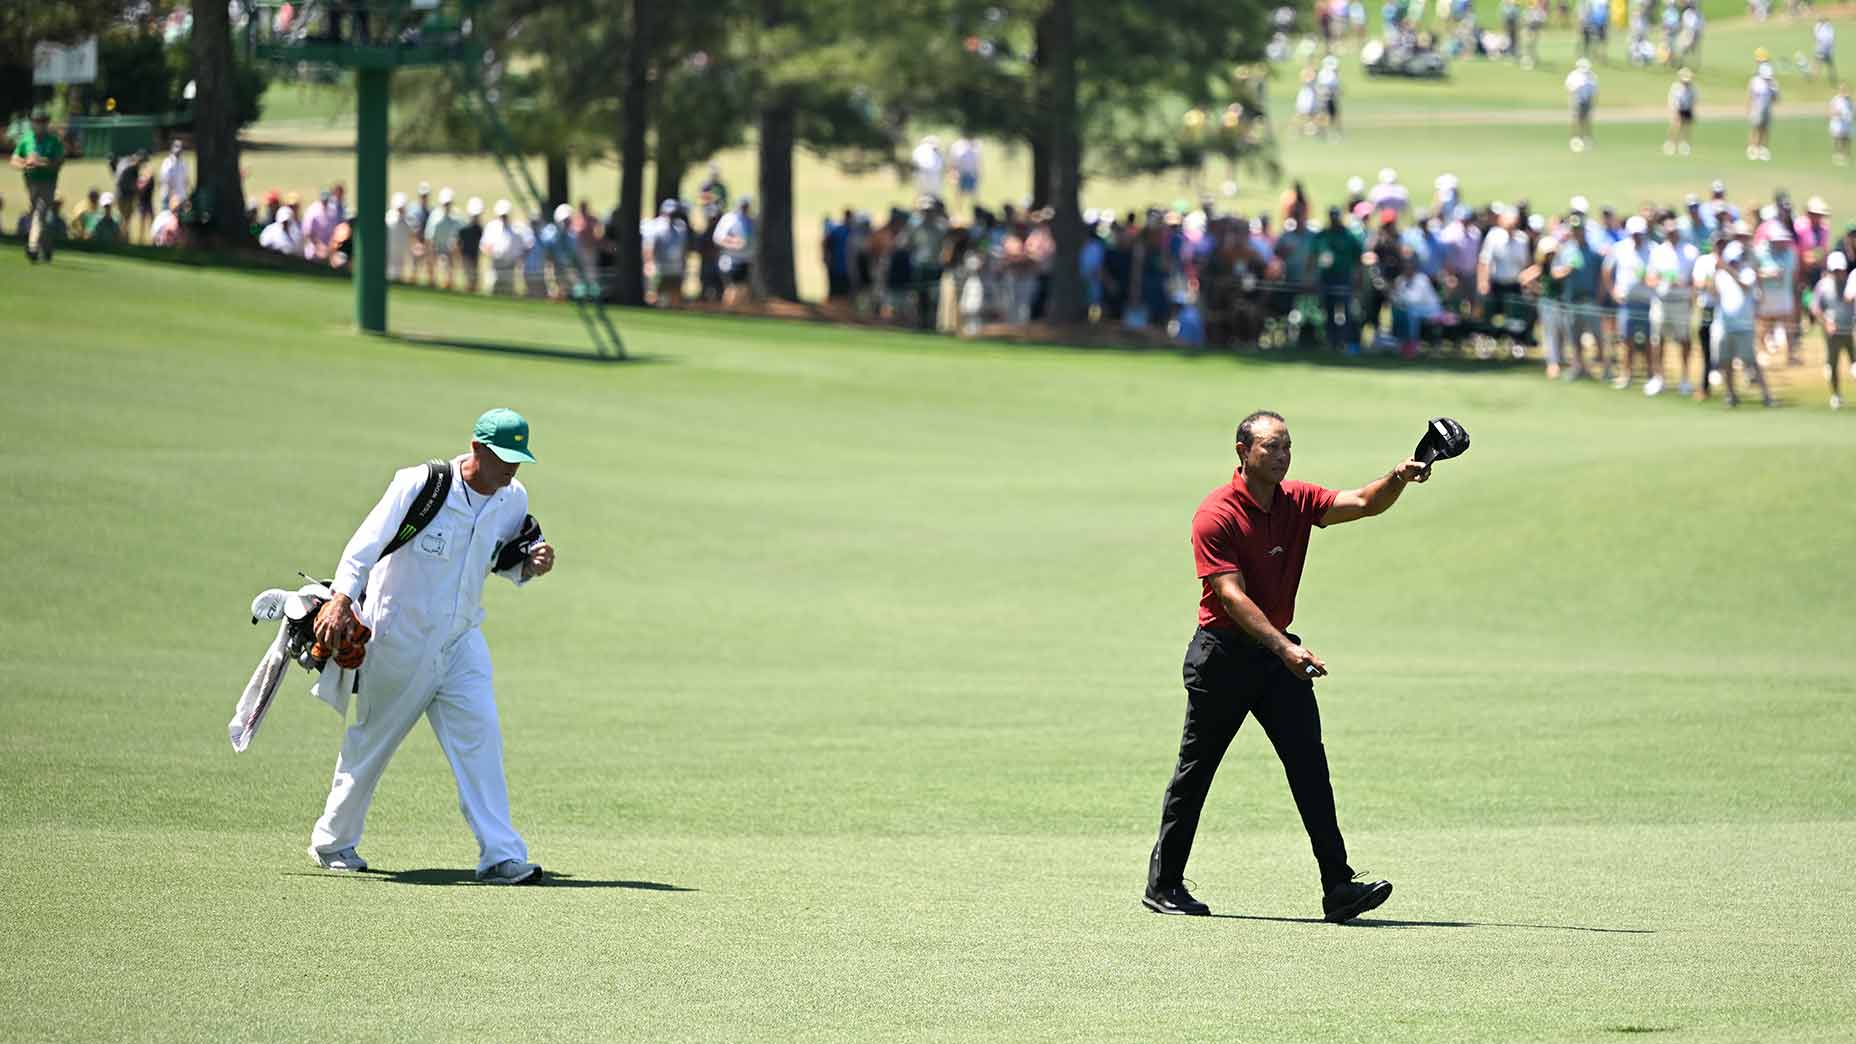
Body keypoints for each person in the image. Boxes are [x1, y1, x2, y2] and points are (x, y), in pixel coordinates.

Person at [1144, 410, 1426, 922]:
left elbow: (1363, 502)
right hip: (1223, 659)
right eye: (1270, 447)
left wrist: (1400, 477)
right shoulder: (1216, 514)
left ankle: (1338, 887)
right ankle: (1163, 885)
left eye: (1287, 447)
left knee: (1309, 768)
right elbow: (1230, 596)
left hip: (1276, 660)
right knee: (1196, 771)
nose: (1281, 456)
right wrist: (1284, 648)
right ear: (1242, 452)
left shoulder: (1296, 499)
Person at [308, 409, 555, 883]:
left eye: (519, 460)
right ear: (476, 449)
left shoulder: (512, 498)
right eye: (503, 457)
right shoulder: (420, 485)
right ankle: (332, 841)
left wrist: (530, 565)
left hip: (462, 640)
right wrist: (339, 600)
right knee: (372, 742)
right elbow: (363, 546)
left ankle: (501, 855)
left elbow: (501, 559)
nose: (511, 470)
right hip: (399, 639)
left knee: (481, 740)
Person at [1711, 243, 1773, 407]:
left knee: (1751, 362)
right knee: (1726, 362)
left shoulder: (1747, 272)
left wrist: (1727, 270)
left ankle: (1767, 395)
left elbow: (1745, 286)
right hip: (1724, 326)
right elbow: (1713, 293)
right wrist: (1715, 272)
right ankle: (1731, 395)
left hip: (1744, 326)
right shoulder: (1721, 275)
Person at [1647, 218, 1698, 396]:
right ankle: (1659, 378)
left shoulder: (1691, 252)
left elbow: (1695, 281)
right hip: (1661, 301)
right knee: (1658, 341)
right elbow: (1650, 278)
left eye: (1674, 232)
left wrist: (1682, 284)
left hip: (1682, 303)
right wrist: (1663, 280)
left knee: (1684, 341)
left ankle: (1685, 379)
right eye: (1668, 232)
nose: (1672, 235)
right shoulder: (1657, 252)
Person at [1605, 215, 1654, 389]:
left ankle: (1651, 374)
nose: (1637, 237)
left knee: (1649, 339)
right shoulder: (1620, 248)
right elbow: (1607, 271)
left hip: (1648, 302)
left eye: (1639, 234)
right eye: (1634, 234)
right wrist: (1613, 292)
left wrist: (1651, 280)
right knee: (1626, 339)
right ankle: (1626, 374)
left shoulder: (1653, 249)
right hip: (1627, 302)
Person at [11, 110, 65, 263]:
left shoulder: (53, 141)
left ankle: (32, 246)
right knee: (38, 214)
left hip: (48, 182)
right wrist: (25, 164)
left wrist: (42, 162)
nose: (39, 125)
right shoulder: (26, 140)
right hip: (31, 183)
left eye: (42, 122)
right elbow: (14, 159)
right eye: (36, 121)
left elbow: (59, 162)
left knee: (40, 211)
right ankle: (47, 248)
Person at [1811, 252, 1851, 409]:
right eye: (1835, 271)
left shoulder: (1850, 283)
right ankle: (1836, 395)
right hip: (1832, 334)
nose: (1838, 274)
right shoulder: (1823, 286)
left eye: (1840, 270)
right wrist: (1826, 322)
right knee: (1833, 365)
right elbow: (1816, 308)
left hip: (1849, 331)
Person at [645, 199, 689, 305]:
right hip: (659, 268)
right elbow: (649, 248)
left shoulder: (681, 227)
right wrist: (649, 264)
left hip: (675, 268)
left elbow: (683, 249)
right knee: (654, 296)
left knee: (675, 297)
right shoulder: (655, 226)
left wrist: (684, 266)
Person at [714, 196, 755, 306]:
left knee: (743, 288)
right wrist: (734, 243)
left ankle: (739, 311)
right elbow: (718, 238)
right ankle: (728, 310)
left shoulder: (750, 220)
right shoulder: (729, 219)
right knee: (733, 287)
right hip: (730, 259)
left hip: (746, 259)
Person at [425, 189, 463, 289]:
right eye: (445, 204)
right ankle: (432, 283)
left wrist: (455, 251)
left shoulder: (455, 217)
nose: (447, 206)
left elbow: (457, 238)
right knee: (434, 266)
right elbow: (430, 239)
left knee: (449, 269)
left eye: (449, 204)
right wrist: (431, 255)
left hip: (448, 250)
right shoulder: (435, 217)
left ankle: (449, 285)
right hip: (436, 248)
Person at [1747, 61, 1778, 161]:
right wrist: (1749, 108)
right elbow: (1751, 96)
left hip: (1767, 110)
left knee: (1765, 129)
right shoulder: (1756, 81)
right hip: (1757, 109)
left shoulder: (1773, 83)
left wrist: (1774, 91)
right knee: (1755, 128)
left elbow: (1776, 99)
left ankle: (1763, 150)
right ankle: (1752, 148)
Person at [1566, 59, 1598, 151]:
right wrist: (1573, 102)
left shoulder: (1592, 76)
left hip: (1587, 101)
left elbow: (1594, 92)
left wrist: (1593, 103)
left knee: (1587, 120)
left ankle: (1587, 139)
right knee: (1576, 120)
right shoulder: (1573, 75)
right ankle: (1575, 139)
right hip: (1577, 100)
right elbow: (1570, 90)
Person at [1665, 68, 1697, 156]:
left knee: (1686, 127)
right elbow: (1673, 100)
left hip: (1687, 108)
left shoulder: (1692, 88)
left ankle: (1684, 145)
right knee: (1675, 126)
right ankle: (1670, 144)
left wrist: (1692, 110)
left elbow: (1693, 100)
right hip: (1677, 108)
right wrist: (1674, 112)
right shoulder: (1676, 87)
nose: (1686, 82)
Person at [1832, 83, 1853, 167]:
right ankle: (1839, 154)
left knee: (1847, 138)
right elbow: (1832, 109)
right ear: (1839, 90)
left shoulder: (1848, 99)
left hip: (1847, 121)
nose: (1843, 90)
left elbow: (1852, 109)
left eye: (1844, 89)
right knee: (1839, 137)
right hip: (1839, 122)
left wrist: (1851, 116)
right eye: (1842, 89)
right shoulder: (1836, 99)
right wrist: (1837, 114)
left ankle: (1846, 154)